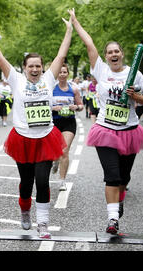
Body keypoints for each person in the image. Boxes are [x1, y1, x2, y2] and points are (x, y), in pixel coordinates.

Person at [0, 14, 73, 238]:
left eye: (38, 66)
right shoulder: (16, 80)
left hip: (45, 136)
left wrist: (69, 30)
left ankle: (42, 222)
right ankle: (25, 211)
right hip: (23, 138)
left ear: (43, 67)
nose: (35, 69)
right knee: (26, 182)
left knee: (43, 181)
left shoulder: (49, 79)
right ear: (24, 68)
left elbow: (61, 54)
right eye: (31, 66)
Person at [70, 9, 143, 234]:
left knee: (124, 179)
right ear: (106, 56)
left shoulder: (134, 74)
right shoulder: (101, 70)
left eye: (117, 51)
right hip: (105, 129)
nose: (113, 54)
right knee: (112, 175)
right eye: (110, 52)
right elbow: (89, 44)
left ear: (122, 54)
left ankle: (119, 202)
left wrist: (135, 96)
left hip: (130, 130)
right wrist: (75, 22)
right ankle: (112, 220)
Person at [51, 63, 84, 191]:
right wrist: (54, 108)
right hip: (54, 122)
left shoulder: (74, 89)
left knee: (64, 151)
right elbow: (45, 105)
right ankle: (55, 161)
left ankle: (62, 181)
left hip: (69, 122)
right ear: (57, 74)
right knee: (55, 151)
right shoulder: (51, 88)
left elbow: (81, 105)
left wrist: (76, 107)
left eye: (64, 72)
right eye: (60, 72)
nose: (62, 74)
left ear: (67, 73)